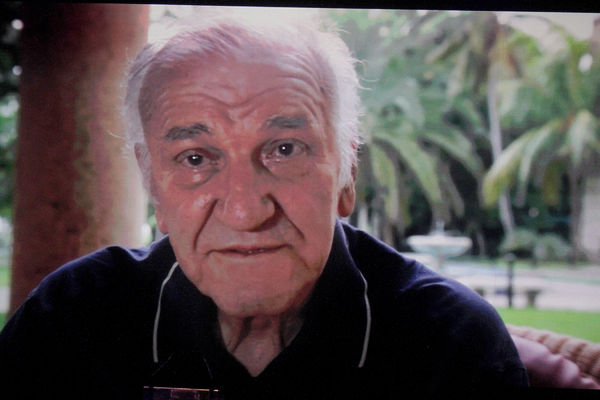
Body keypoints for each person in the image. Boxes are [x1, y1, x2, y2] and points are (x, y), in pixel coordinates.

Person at [0, 10, 528, 399]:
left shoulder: (449, 342)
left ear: (346, 172)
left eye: (285, 149)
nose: (246, 212)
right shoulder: (71, 321)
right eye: (194, 158)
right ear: (152, 183)